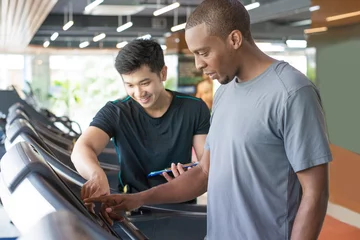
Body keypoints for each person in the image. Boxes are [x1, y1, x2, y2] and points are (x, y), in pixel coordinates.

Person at [84, 1, 332, 239]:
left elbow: (315, 193)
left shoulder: (291, 92)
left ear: (234, 39)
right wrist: (137, 199)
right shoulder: (224, 91)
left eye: (203, 52)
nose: (198, 64)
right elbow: (204, 172)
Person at [71, 39, 210, 205]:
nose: (138, 93)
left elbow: (205, 168)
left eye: (145, 83)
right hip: (129, 208)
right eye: (129, 85)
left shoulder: (194, 108)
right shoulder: (116, 111)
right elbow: (81, 149)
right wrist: (96, 174)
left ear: (163, 74)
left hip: (180, 205)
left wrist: (190, 175)